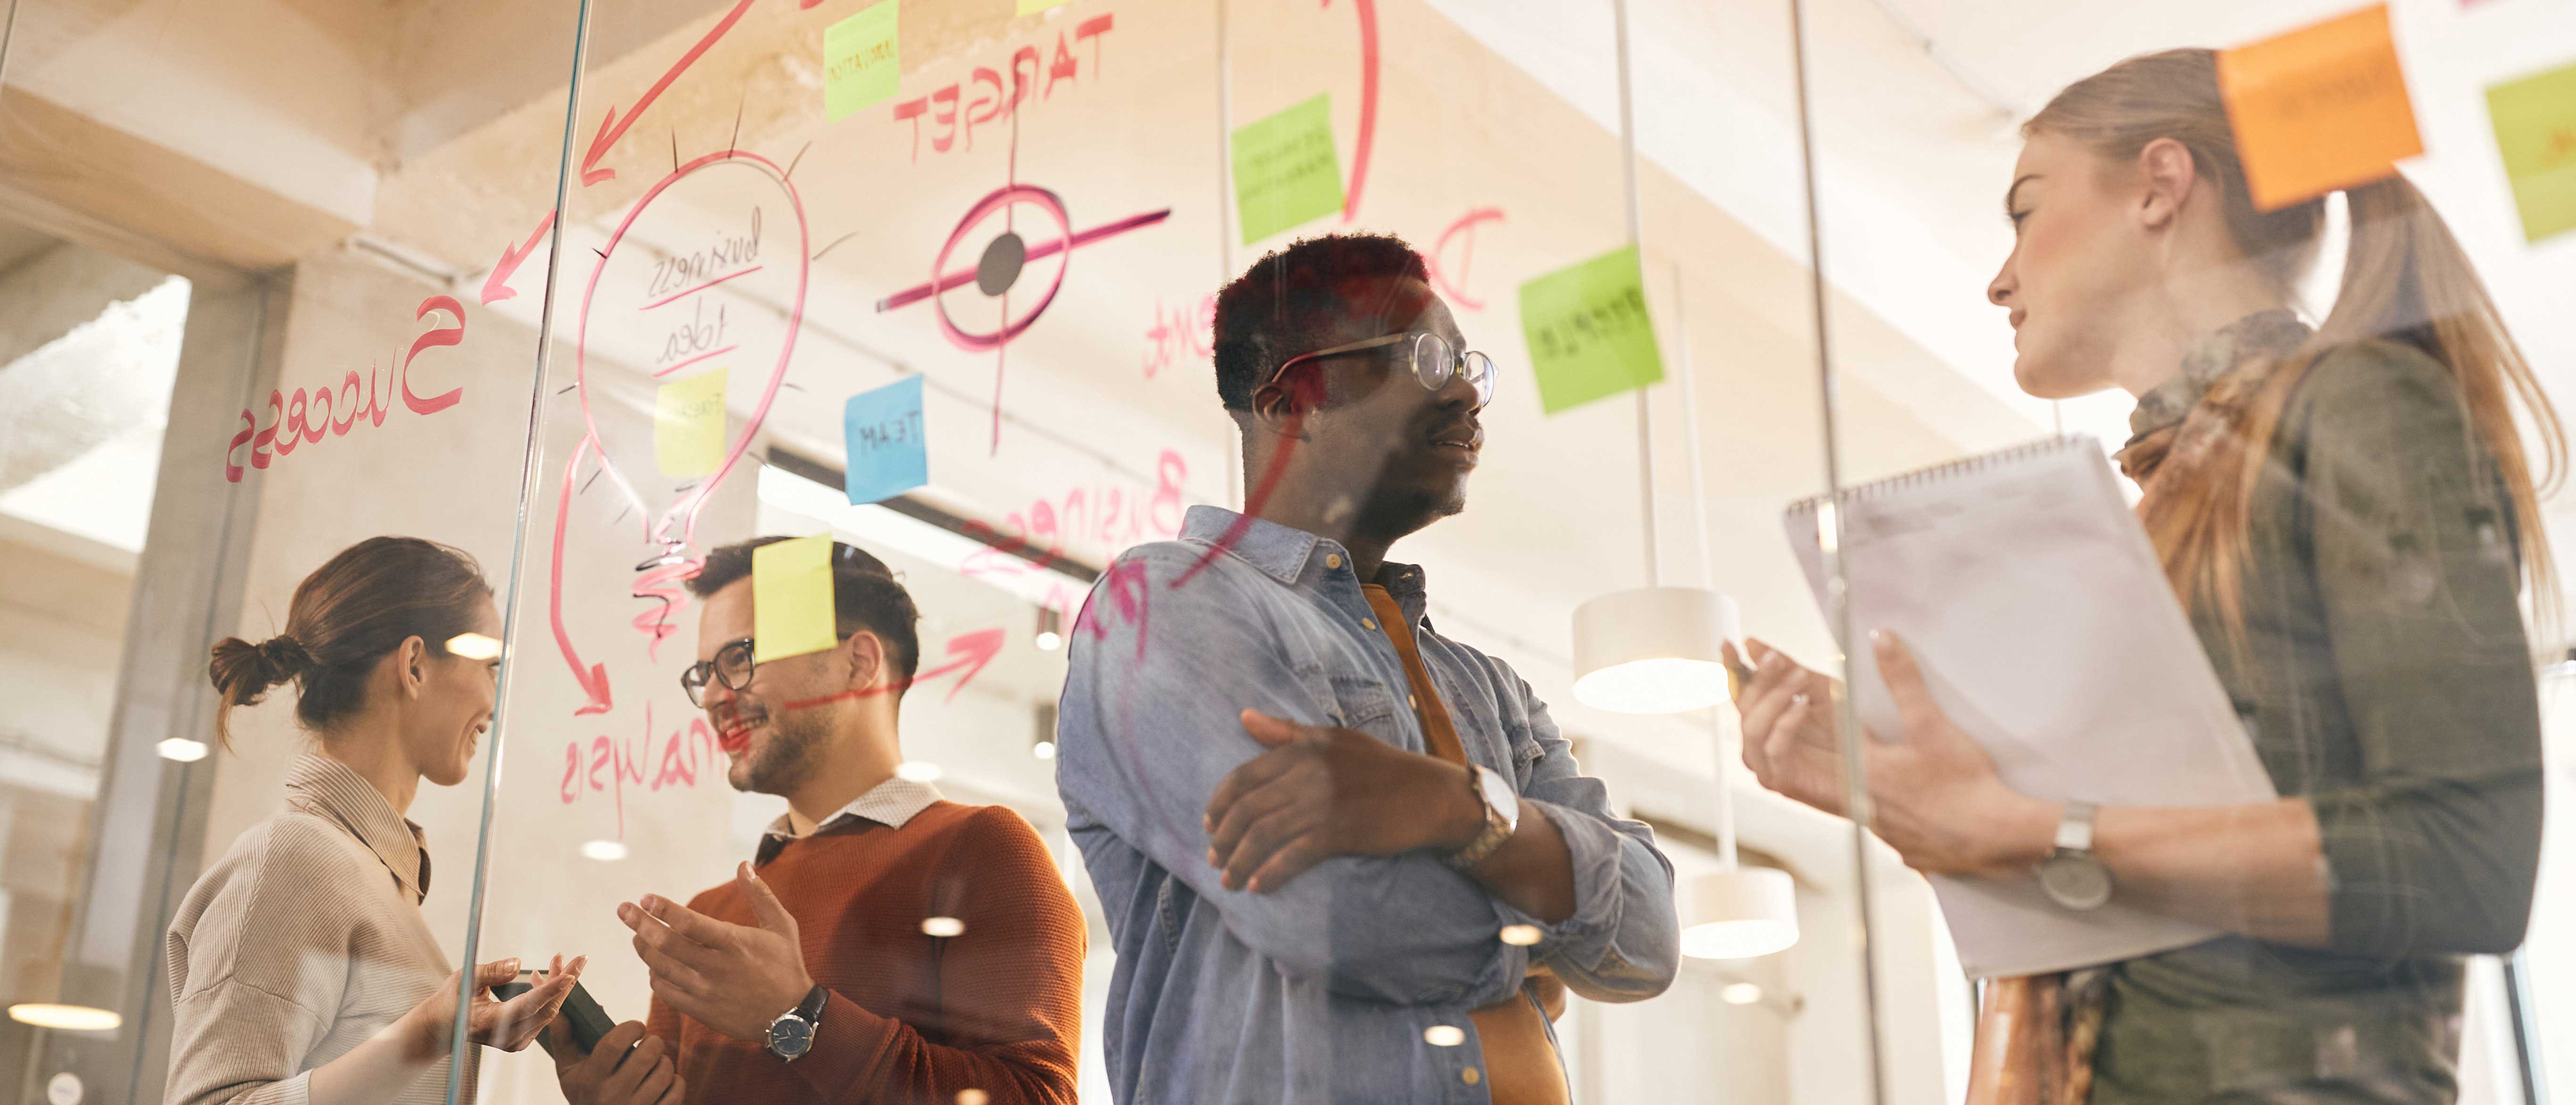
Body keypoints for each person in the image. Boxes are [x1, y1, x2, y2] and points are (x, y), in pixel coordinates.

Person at [1730, 48, 2559, 1104]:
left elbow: (2464, 860)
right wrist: (1902, 783)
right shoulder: (2165, 509)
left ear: (2160, 185)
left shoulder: (2354, 400)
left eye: (2024, 212)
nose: (1999, 275)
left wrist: (2028, 825)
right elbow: (2126, 900)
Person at [1055, 232, 1680, 1105]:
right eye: (1423, 357)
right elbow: (1333, 916)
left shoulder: (1487, 687)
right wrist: (1547, 919)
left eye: (1467, 363)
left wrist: (1463, 807)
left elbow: (1648, 938)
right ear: (1294, 401)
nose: (1464, 390)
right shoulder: (1165, 602)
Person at [553, 537, 1082, 1105]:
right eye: (703, 672)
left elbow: (1037, 1097)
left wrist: (801, 1019)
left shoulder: (985, 850)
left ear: (858, 663)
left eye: (739, 658)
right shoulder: (712, 915)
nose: (710, 696)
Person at [166, 537, 627, 1105]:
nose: (495, 697)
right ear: (413, 666)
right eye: (488, 666)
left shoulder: (367, 875)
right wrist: (425, 1034)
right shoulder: (291, 857)